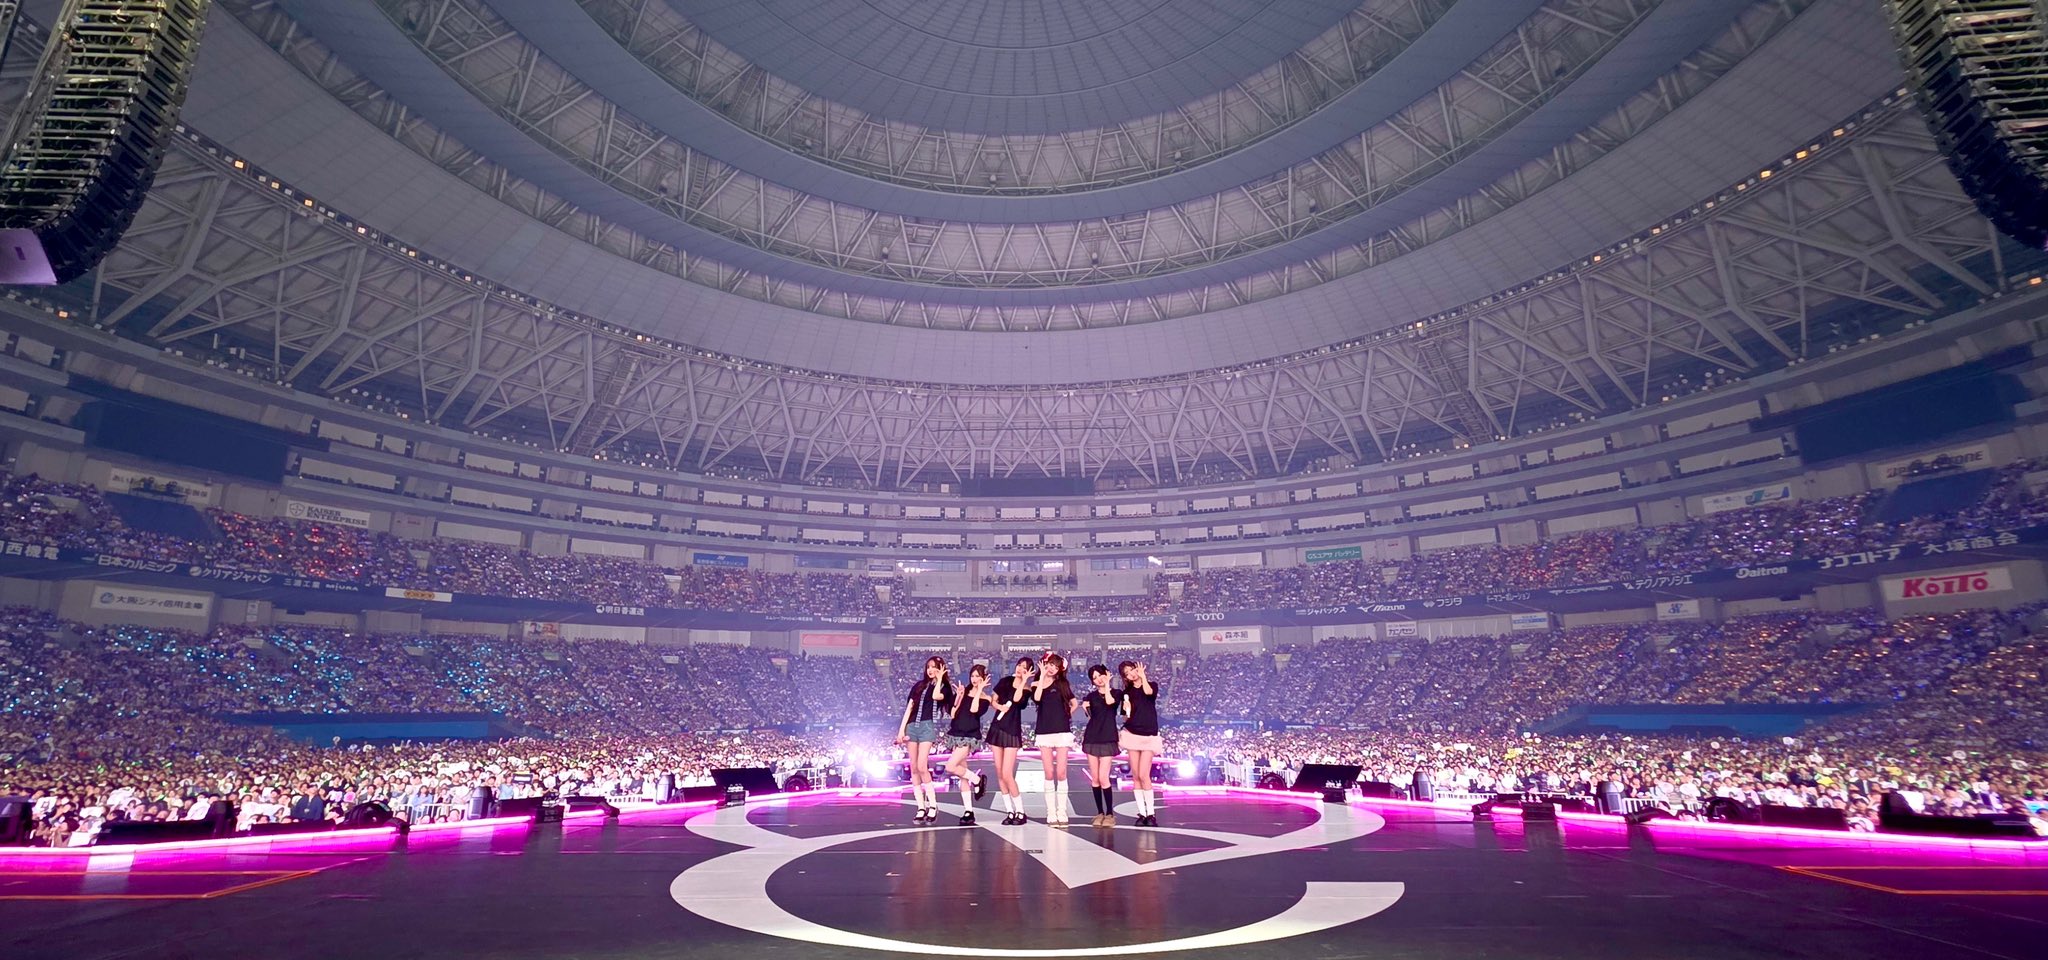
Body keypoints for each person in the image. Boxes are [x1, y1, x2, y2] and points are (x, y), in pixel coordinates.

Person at [894, 656, 953, 824]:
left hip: (927, 727)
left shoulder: (945, 688)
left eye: (934, 667)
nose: (930, 670)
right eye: (928, 667)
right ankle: (921, 807)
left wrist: (939, 678)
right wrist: (901, 731)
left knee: (922, 766)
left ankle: (933, 805)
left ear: (941, 668)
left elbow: (936, 696)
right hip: (911, 727)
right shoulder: (918, 686)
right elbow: (909, 708)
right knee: (913, 768)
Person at [1031, 651, 1079, 826]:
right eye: (1050, 664)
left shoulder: (1062, 684)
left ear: (1060, 670)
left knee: (1061, 772)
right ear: (1044, 664)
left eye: (1055, 666)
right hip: (1044, 732)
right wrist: (1042, 677)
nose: (1052, 668)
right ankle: (1051, 811)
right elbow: (1037, 698)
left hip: (1062, 732)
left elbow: (1074, 703)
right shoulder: (1036, 683)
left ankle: (1062, 811)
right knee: (1049, 772)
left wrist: (1066, 715)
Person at [941, 663, 993, 825]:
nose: (974, 679)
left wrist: (978, 691)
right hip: (956, 733)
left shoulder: (986, 698)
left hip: (969, 735)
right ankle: (968, 812)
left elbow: (974, 710)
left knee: (950, 767)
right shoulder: (964, 691)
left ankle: (977, 780)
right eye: (972, 676)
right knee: (962, 774)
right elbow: (953, 713)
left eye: (978, 676)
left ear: (984, 678)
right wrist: (959, 696)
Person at [987, 657, 1035, 825]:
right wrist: (999, 706)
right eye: (1019, 665)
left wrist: (1023, 681)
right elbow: (993, 700)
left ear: (1029, 671)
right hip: (997, 728)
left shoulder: (1027, 689)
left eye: (1025, 667)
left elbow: (1016, 700)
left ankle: (1021, 812)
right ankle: (1009, 811)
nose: (1021, 668)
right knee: (1000, 773)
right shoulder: (1005, 681)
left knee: (1007, 773)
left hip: (1012, 730)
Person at [1118, 660, 1164, 826]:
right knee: (1136, 775)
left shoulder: (1152, 685)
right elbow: (1125, 717)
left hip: (1149, 736)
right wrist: (1126, 708)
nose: (1131, 674)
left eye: (1132, 670)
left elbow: (1149, 693)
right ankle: (1142, 814)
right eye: (1126, 673)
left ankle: (1151, 814)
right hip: (1132, 734)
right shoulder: (1127, 692)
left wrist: (1143, 677)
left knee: (1144, 775)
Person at [1079, 664, 1123, 828]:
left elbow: (1111, 704)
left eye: (1100, 675)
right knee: (1095, 778)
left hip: (1108, 738)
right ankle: (1099, 813)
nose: (1098, 679)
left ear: (1107, 674)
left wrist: (1107, 685)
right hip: (1092, 737)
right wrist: (1085, 707)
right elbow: (1090, 716)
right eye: (1094, 678)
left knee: (1104, 778)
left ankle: (1110, 814)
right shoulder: (1090, 696)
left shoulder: (1117, 693)